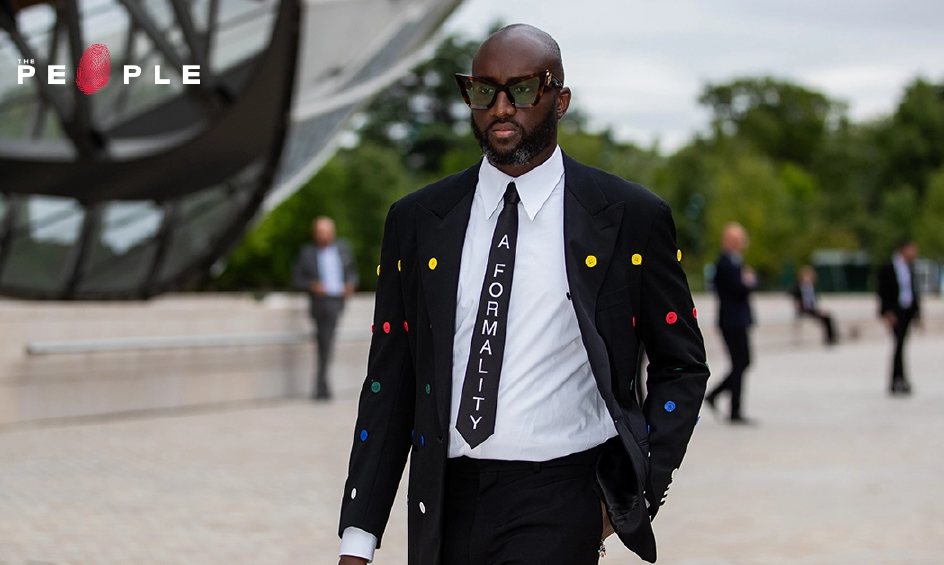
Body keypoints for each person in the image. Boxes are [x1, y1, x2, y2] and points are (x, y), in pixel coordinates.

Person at [337, 24, 708, 565]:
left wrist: (634, 493)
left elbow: (682, 364)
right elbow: (390, 380)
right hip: (442, 501)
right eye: (483, 91)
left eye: (524, 90)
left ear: (561, 100)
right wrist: (358, 539)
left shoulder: (630, 217)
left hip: (561, 497)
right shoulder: (417, 220)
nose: (501, 108)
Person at [291, 216, 358, 400]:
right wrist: (313, 286)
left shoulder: (343, 249)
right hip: (320, 303)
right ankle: (322, 387)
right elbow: (297, 279)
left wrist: (349, 285)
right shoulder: (308, 253)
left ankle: (322, 387)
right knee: (324, 343)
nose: (323, 236)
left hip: (337, 301)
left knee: (326, 343)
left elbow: (352, 273)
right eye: (320, 232)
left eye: (326, 232)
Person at [704, 222, 756, 425]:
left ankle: (721, 399)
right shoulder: (724, 263)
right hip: (731, 321)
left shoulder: (736, 261)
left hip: (738, 320)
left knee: (742, 363)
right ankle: (731, 407)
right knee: (740, 363)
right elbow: (736, 289)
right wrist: (748, 282)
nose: (743, 243)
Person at [876, 240, 920, 395]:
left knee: (902, 345)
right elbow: (882, 291)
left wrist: (917, 312)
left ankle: (900, 379)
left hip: (907, 310)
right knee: (898, 344)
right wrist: (887, 311)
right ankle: (897, 380)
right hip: (895, 312)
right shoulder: (888, 267)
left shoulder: (910, 267)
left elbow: (913, 290)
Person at [790, 265, 837, 346]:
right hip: (803, 309)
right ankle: (830, 338)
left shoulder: (812, 288)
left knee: (827, 317)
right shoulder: (797, 287)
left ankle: (830, 338)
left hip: (811, 309)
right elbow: (794, 296)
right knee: (824, 317)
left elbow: (814, 301)